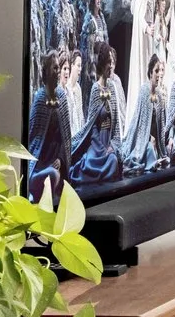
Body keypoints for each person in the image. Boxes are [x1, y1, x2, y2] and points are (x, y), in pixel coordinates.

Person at [71, 42, 127, 186]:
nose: (111, 66)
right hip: (97, 145)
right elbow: (92, 127)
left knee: (113, 161)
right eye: (108, 62)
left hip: (109, 143)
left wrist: (113, 147)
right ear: (102, 64)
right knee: (89, 164)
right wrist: (101, 149)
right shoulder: (95, 90)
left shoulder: (113, 89)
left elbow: (115, 128)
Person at [25, 48, 73, 202]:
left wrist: (60, 158)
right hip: (40, 165)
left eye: (59, 67)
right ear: (46, 71)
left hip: (56, 162)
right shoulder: (40, 99)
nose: (58, 71)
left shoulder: (61, 97)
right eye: (55, 67)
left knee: (57, 175)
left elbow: (65, 138)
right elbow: (34, 139)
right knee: (52, 175)